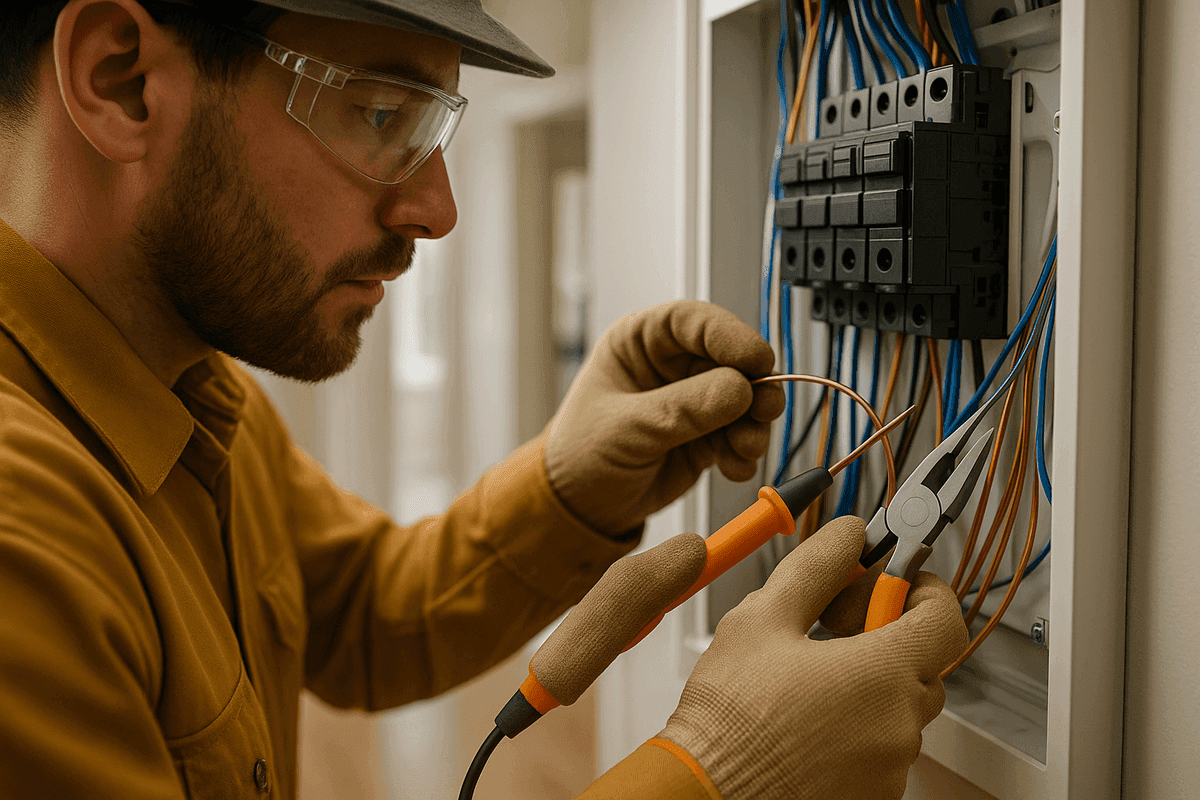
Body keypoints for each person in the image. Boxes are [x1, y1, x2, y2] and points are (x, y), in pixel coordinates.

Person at [0, 1, 968, 798]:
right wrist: (721, 771)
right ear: (120, 78)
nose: (439, 209)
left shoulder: (197, 390)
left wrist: (570, 485)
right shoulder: (20, 521)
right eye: (383, 114)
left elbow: (370, 614)